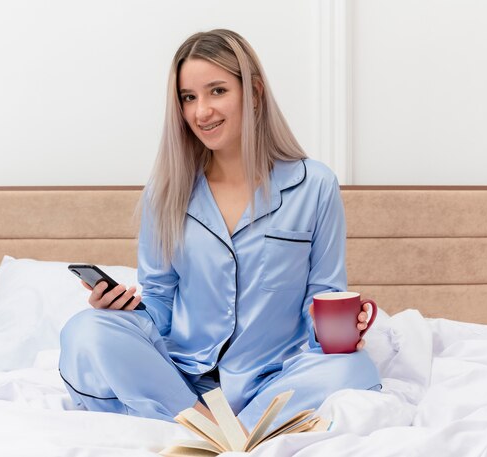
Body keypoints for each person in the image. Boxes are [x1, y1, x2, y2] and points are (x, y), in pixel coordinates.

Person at [59, 29, 381, 430]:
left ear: (255, 93)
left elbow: (322, 296)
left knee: (355, 369)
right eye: (188, 98)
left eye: (216, 91)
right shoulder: (166, 191)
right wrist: (123, 315)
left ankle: (221, 429)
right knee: (85, 329)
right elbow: (159, 300)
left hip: (270, 380)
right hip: (180, 378)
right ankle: (219, 429)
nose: (201, 112)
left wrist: (344, 328)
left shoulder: (314, 184)